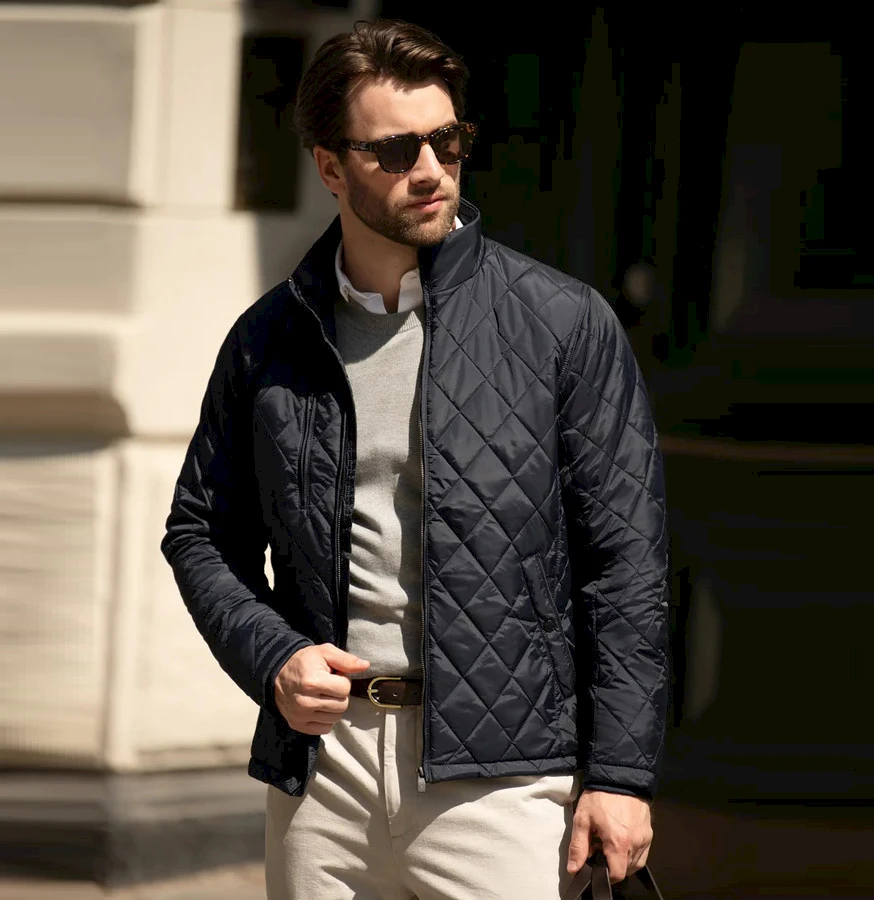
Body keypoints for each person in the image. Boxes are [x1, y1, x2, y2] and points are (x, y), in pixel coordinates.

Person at [161, 19, 669, 900]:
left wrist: (621, 774)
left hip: (505, 781)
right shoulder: (269, 339)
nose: (430, 169)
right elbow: (200, 531)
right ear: (331, 167)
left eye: (448, 140)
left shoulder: (562, 325)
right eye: (396, 151)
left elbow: (626, 563)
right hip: (324, 773)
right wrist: (273, 657)